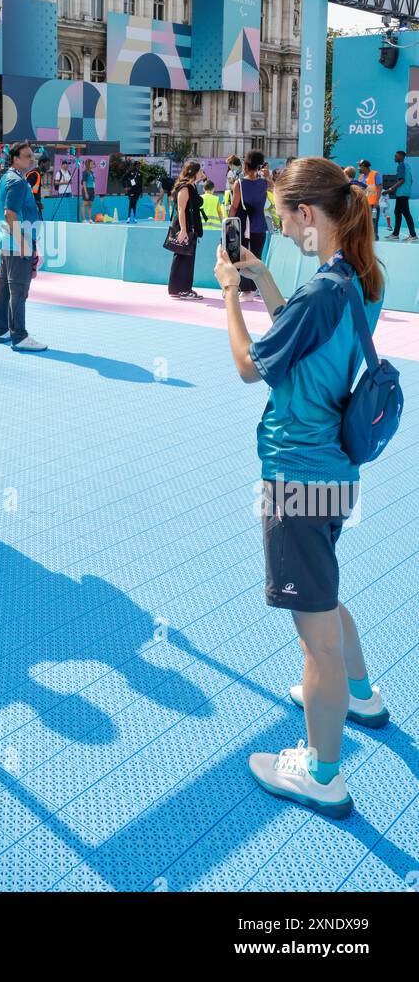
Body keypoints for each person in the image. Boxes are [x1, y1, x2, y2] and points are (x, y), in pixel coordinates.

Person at [214, 157, 387, 818]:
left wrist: (229, 291)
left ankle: (322, 775)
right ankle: (362, 693)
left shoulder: (319, 292)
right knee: (325, 594)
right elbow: (304, 341)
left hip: (296, 476)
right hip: (336, 471)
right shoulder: (358, 278)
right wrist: (261, 281)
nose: (280, 231)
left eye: (283, 219)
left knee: (312, 635)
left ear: (307, 215)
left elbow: (246, 366)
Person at [0, 141, 47, 352]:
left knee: (6, 288)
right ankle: (20, 336)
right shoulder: (16, 182)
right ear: (15, 158)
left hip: (7, 242)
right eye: (27, 156)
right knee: (19, 290)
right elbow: (9, 213)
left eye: (32, 156)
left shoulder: (9, 178)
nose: (32, 159)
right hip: (17, 245)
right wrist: (24, 244)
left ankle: (3, 331)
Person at [229, 150, 268, 300]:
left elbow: (234, 206)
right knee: (257, 257)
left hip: (244, 225)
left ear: (245, 165)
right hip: (260, 225)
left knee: (243, 257)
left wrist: (229, 224)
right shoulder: (265, 183)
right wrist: (268, 176)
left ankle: (246, 290)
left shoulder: (239, 184)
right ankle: (256, 288)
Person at [167, 160, 206, 300]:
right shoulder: (185, 187)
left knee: (186, 257)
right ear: (194, 172)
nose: (202, 173)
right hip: (185, 227)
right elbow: (181, 210)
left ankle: (180, 289)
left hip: (190, 227)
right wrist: (183, 230)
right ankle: (182, 289)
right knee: (183, 258)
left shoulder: (192, 186)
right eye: (200, 171)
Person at [386, 150, 417, 242]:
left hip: (402, 194)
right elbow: (411, 180)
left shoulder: (401, 166)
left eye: (396, 156)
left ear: (401, 157)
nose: (394, 158)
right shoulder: (407, 166)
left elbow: (402, 180)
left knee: (406, 213)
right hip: (403, 193)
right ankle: (396, 234)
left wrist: (390, 189)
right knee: (397, 212)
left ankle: (413, 235)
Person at [356, 159, 382, 239]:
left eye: (359, 166)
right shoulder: (360, 177)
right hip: (363, 205)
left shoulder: (375, 174)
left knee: (373, 224)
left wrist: (376, 202)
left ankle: (374, 240)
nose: (358, 168)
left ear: (364, 166)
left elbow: (379, 187)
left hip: (373, 205)